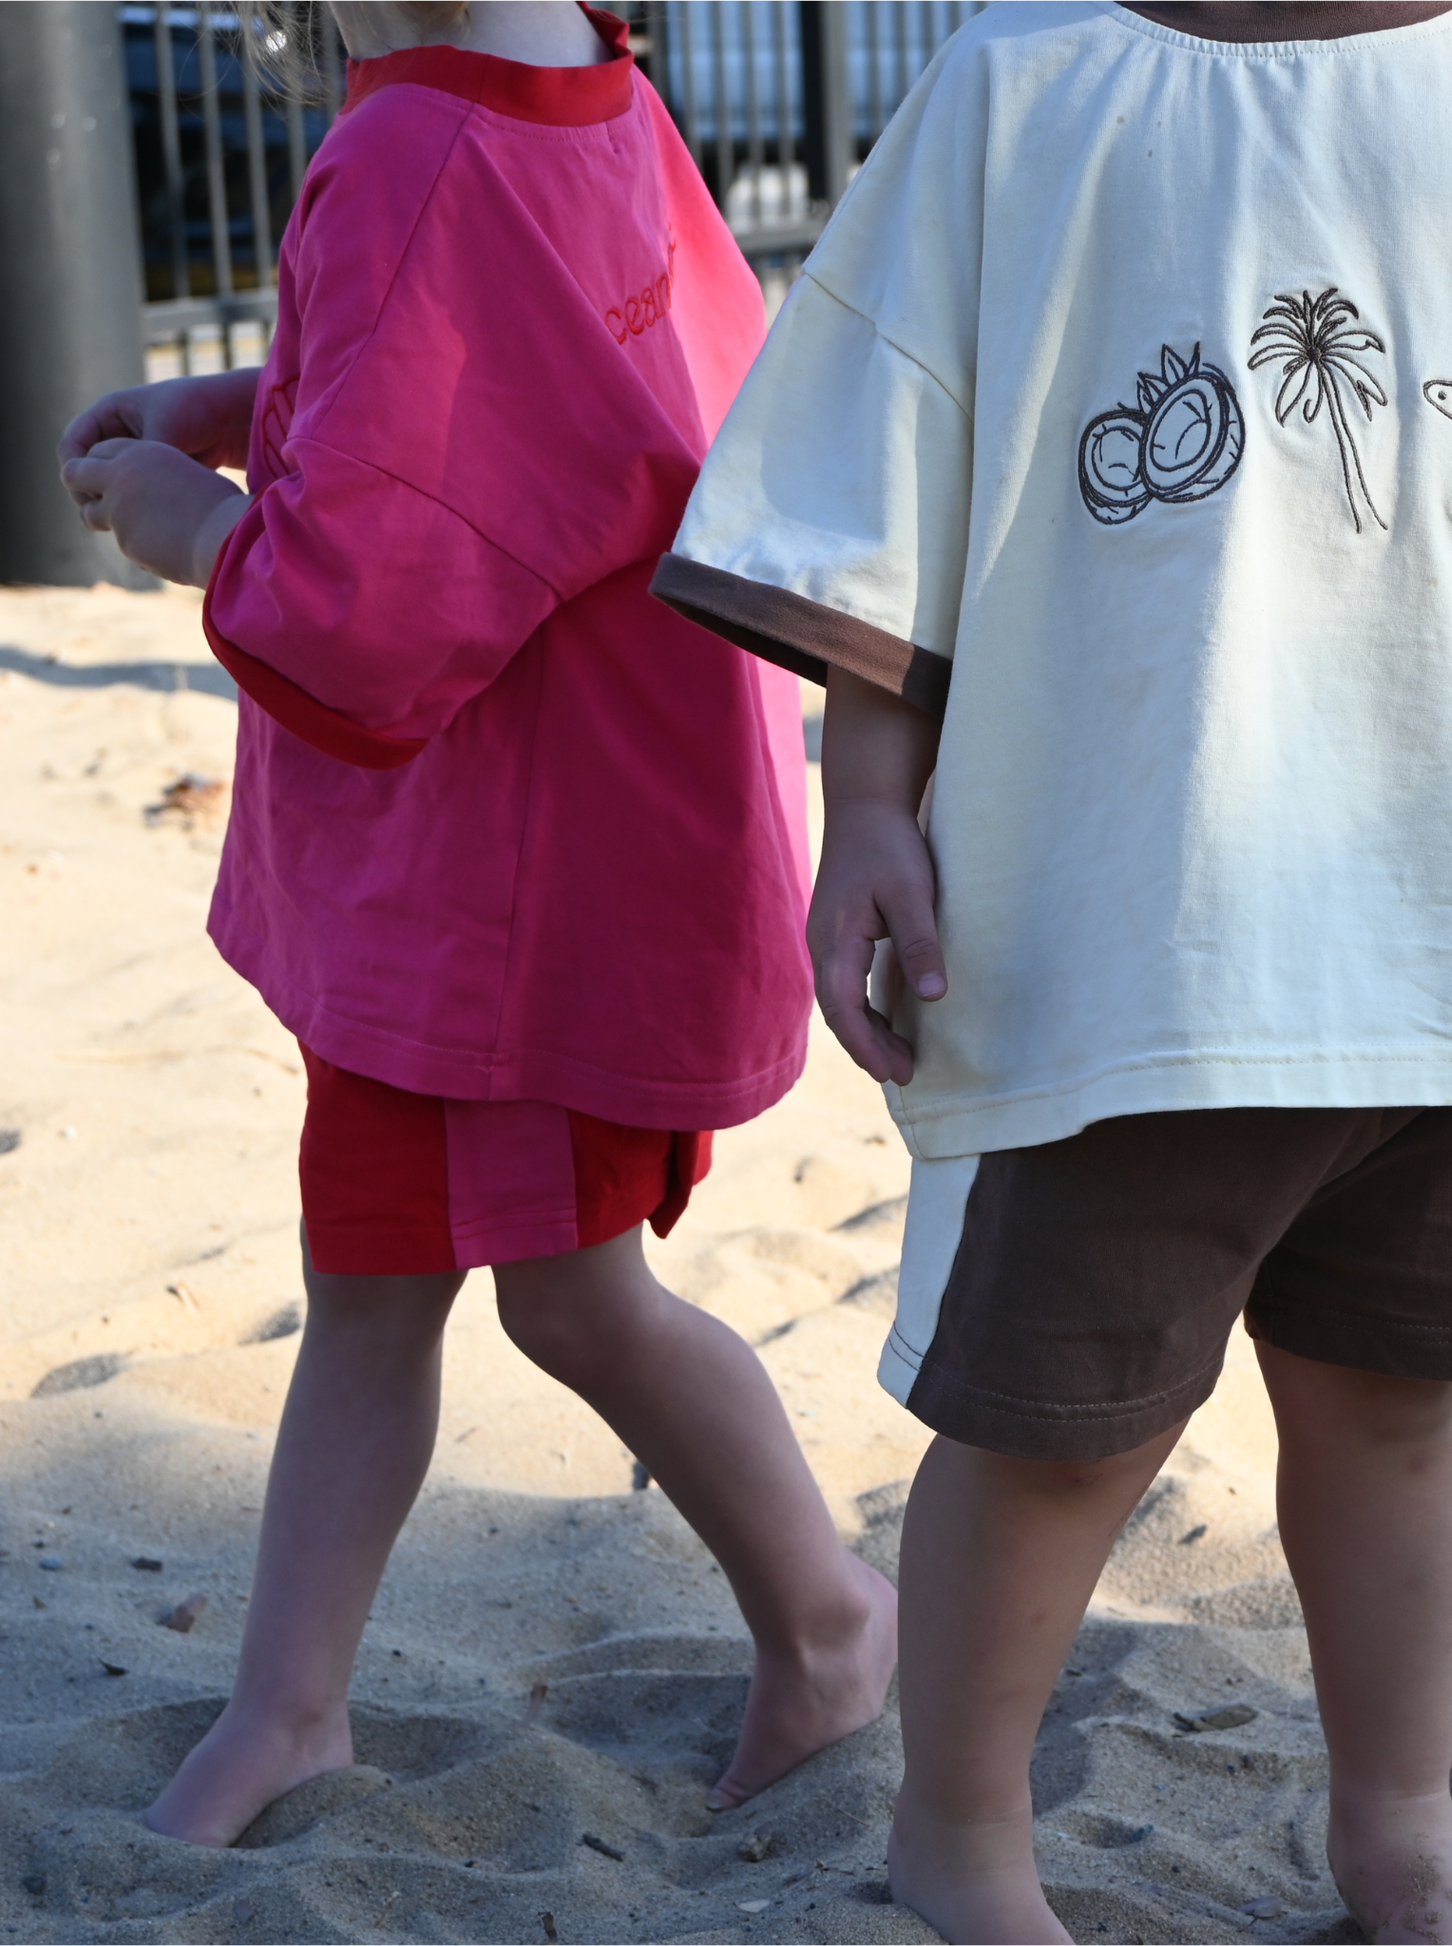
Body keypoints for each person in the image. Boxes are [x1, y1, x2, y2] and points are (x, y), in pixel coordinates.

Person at [650, 1, 1452, 1939]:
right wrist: (874, 816)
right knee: (1054, 1429)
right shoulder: (1018, 85)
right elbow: (876, 500)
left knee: (1395, 1398)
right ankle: (963, 1832)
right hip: (1126, 945)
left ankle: (1396, 1828)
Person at [57, 0, 894, 1850]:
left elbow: (366, 607)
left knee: (574, 1299)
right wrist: (251, 417)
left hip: (511, 893)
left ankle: (831, 1619)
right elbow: (539, 411)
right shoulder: (579, 83)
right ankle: (292, 1704)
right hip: (567, 845)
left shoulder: (424, 147)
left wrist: (205, 526)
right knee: (389, 1282)